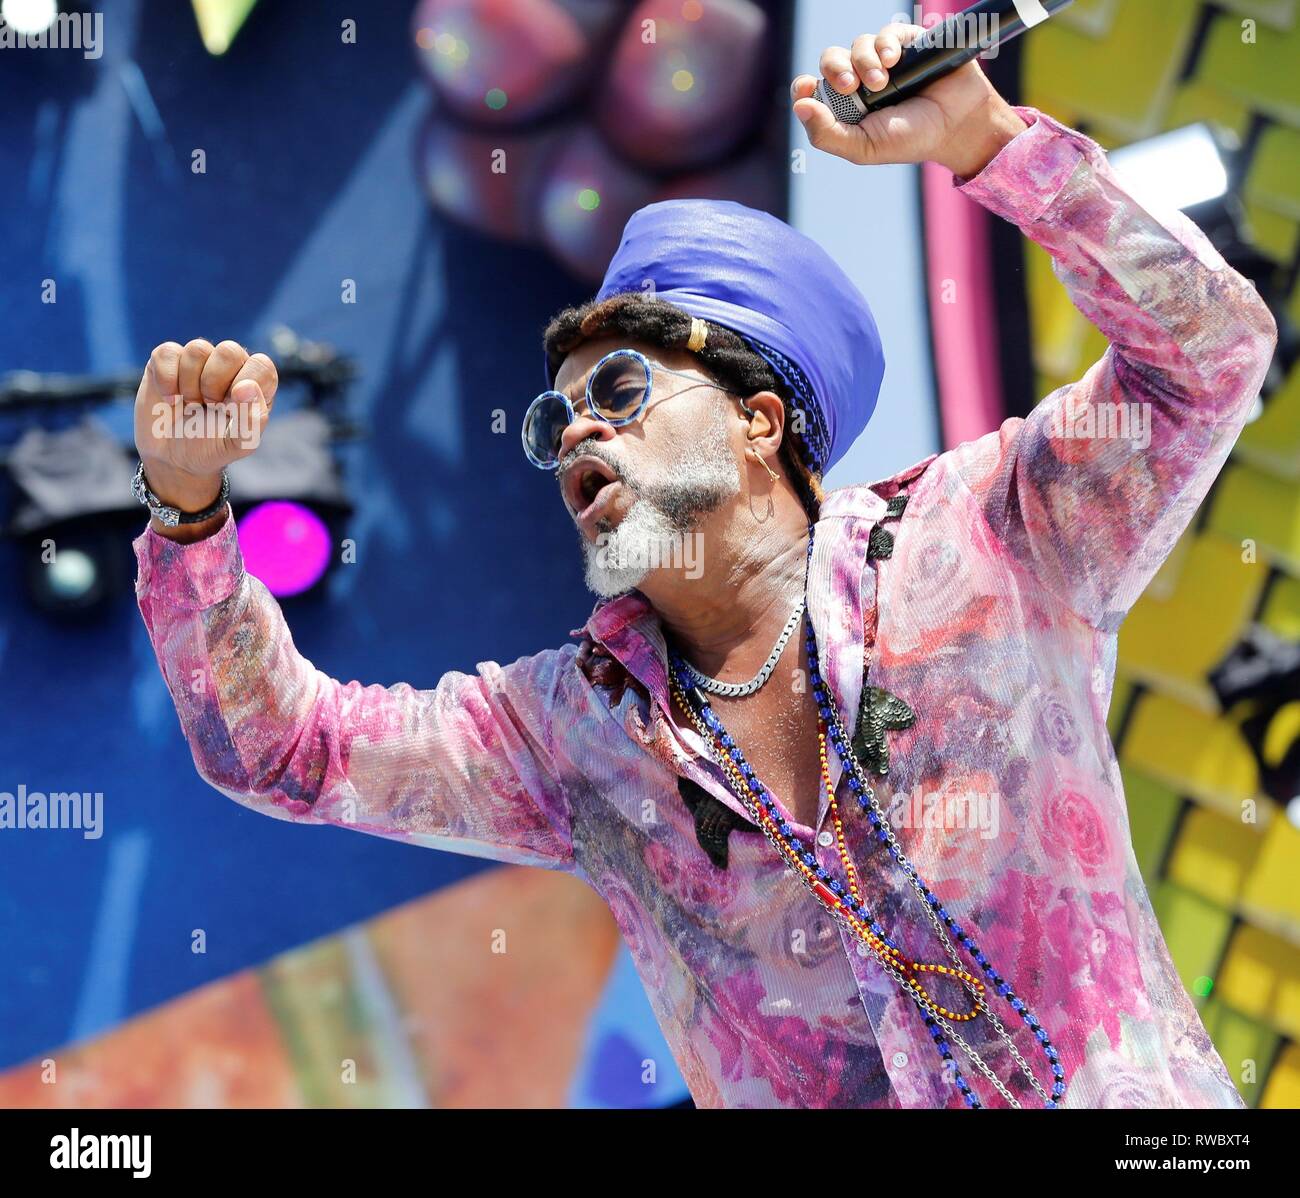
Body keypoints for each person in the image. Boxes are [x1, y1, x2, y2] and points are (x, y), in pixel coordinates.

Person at [130, 23, 1277, 1108]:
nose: (577, 432)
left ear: (760, 420)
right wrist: (186, 516)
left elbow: (1209, 355)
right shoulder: (569, 731)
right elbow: (286, 751)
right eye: (557, 419)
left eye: (619, 392)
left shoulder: (990, 534)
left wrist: (986, 146)